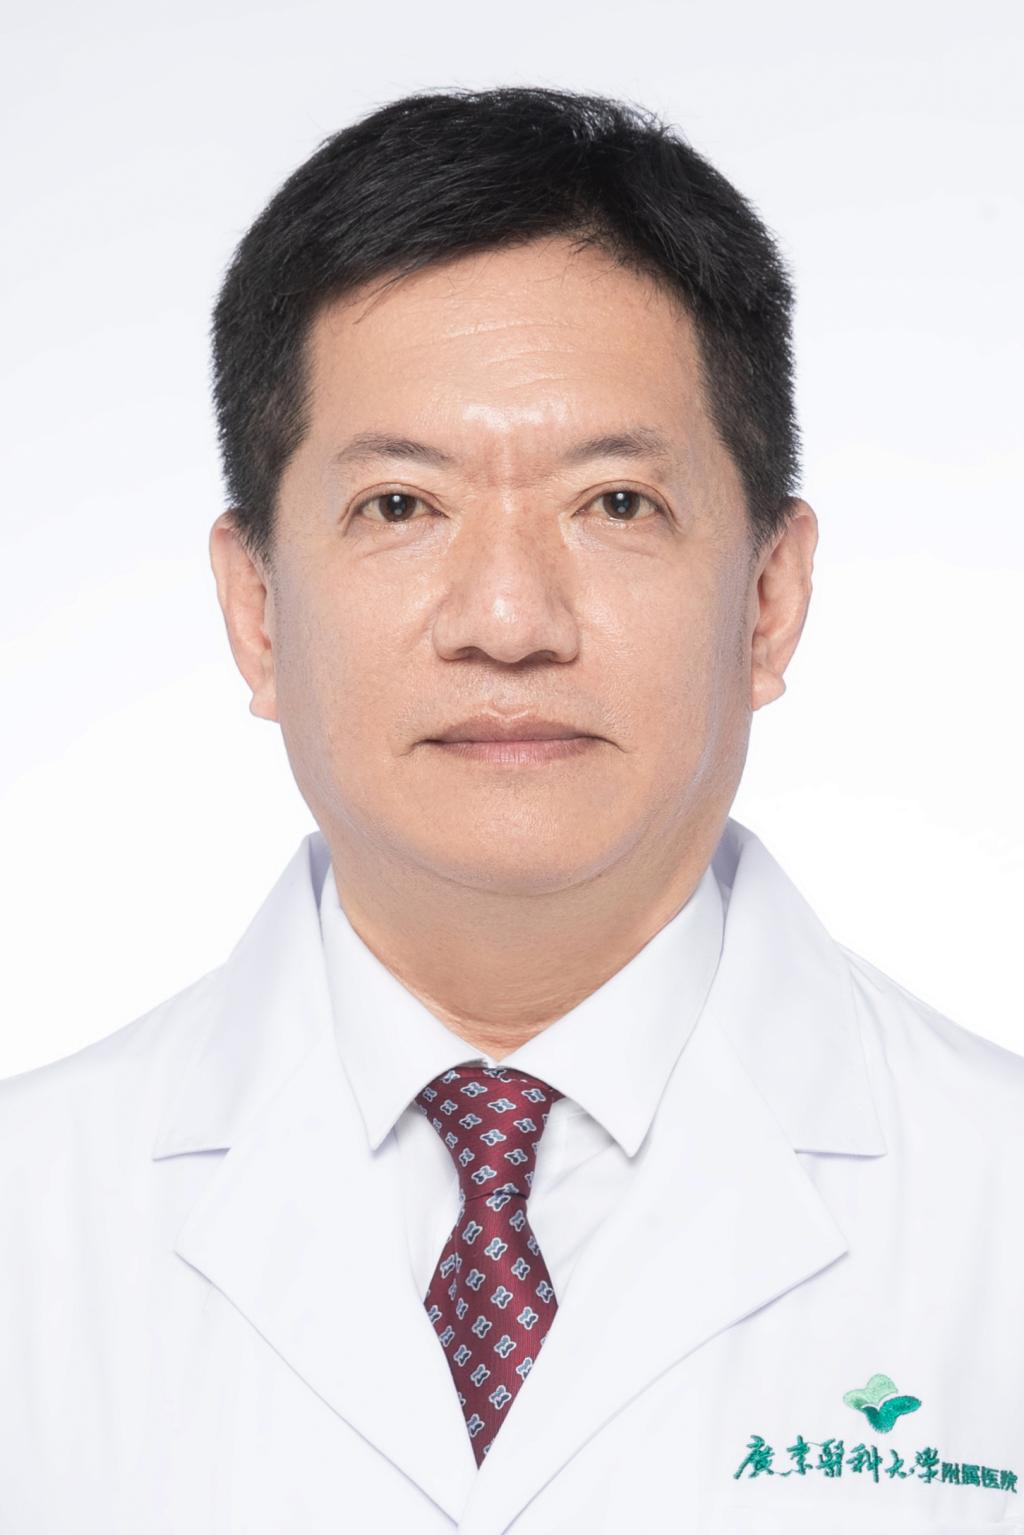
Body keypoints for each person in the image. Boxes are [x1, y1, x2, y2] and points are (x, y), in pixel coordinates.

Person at [1, 84, 1021, 1535]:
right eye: (399, 506)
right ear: (257, 612)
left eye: (617, 504)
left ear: (769, 601)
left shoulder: (996, 1206)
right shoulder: (30, 1220)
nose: (507, 619)